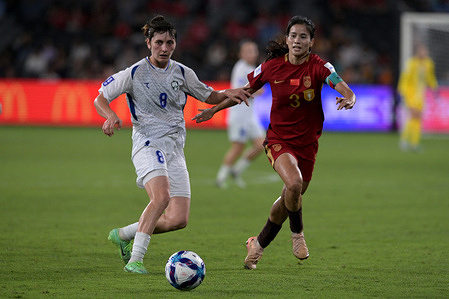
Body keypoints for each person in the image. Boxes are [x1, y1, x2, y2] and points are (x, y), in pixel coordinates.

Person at [193, 15, 356, 269]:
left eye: (303, 36)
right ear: (287, 39)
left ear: (312, 42)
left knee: (290, 197)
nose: (298, 40)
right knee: (294, 183)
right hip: (278, 140)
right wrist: (213, 110)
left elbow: (340, 84)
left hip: (308, 144)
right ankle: (298, 235)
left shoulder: (319, 66)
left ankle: (257, 244)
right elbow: (244, 91)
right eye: (293, 36)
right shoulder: (271, 66)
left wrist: (350, 96)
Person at [93, 15, 251, 274]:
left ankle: (123, 234)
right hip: (147, 142)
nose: (164, 48)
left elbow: (208, 95)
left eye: (169, 42)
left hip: (175, 149)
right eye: (159, 42)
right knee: (161, 198)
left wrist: (226, 95)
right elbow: (101, 98)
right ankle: (136, 259)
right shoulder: (134, 72)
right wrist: (110, 115)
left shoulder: (182, 72)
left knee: (178, 219)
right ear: (148, 43)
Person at [215, 40, 266, 188]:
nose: (252, 53)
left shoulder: (251, 68)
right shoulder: (241, 68)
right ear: (241, 54)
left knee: (261, 145)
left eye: (254, 50)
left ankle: (237, 170)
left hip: (250, 115)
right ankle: (221, 178)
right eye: (248, 51)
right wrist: (257, 90)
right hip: (239, 115)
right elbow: (240, 90)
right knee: (238, 147)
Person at [398, 44, 438, 152]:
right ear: (417, 52)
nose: (424, 53)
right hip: (410, 94)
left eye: (425, 51)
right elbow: (405, 79)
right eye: (422, 51)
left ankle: (413, 143)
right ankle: (405, 141)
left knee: (417, 118)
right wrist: (402, 92)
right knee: (414, 115)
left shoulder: (428, 63)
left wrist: (434, 87)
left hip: (420, 95)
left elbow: (430, 77)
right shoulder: (411, 63)